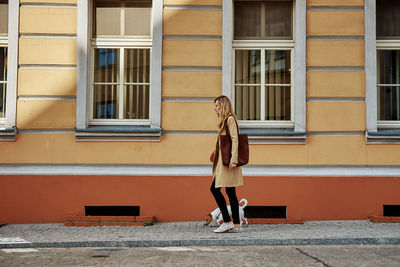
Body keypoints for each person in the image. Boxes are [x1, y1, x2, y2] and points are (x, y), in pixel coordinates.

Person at [210, 95, 243, 233]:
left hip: (228, 163)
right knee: (230, 191)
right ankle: (236, 224)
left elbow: (235, 140)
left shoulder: (230, 120)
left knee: (215, 189)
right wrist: (215, 149)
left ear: (223, 106)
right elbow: (225, 141)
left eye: (217, 106)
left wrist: (233, 160)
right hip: (225, 162)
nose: (215, 109)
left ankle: (227, 221)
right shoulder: (226, 121)